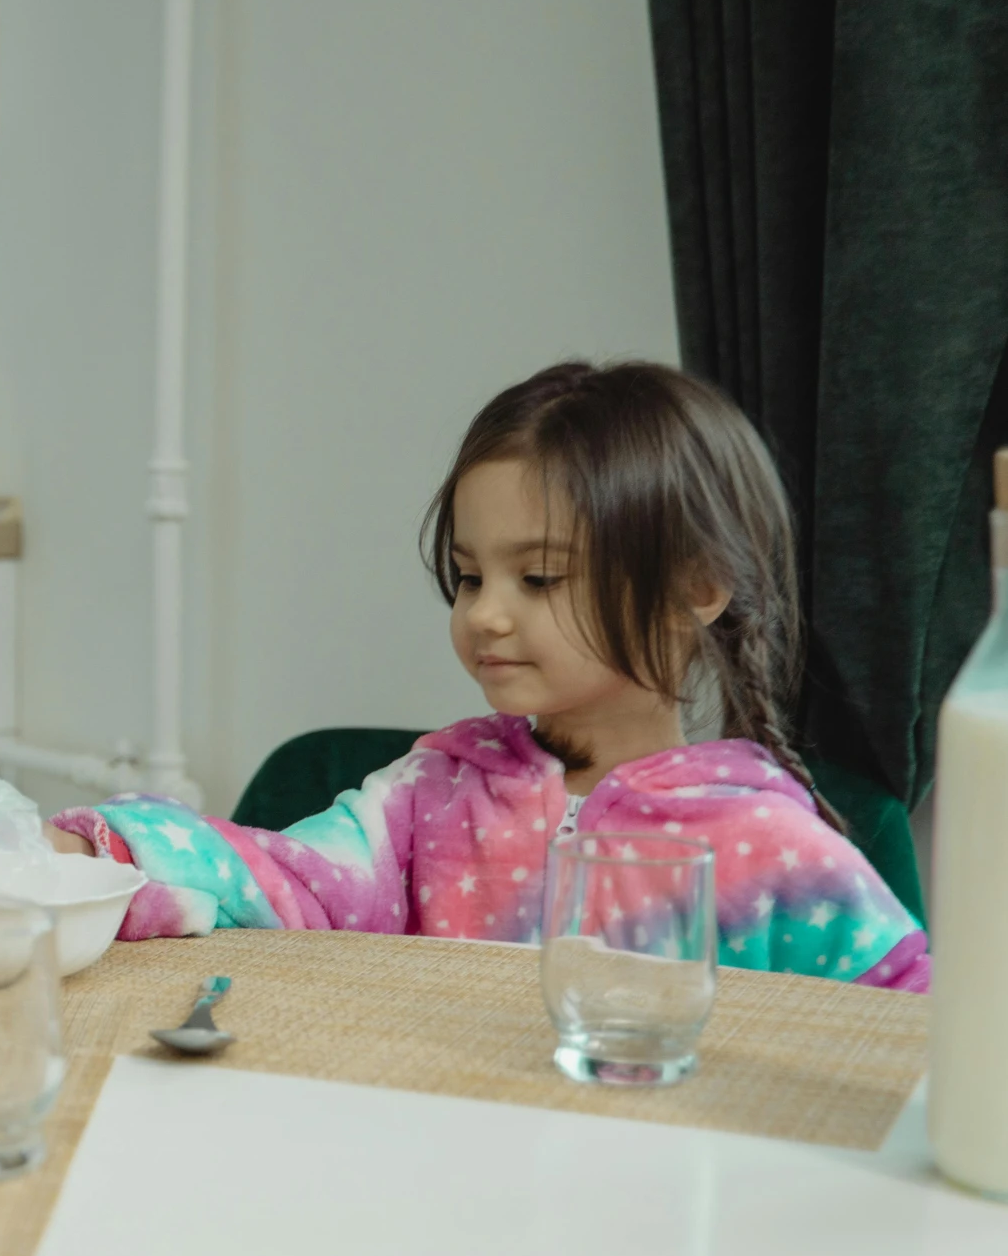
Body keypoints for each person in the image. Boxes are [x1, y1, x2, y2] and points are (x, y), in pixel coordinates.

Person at [47, 360, 928, 991]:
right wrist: (96, 851)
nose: (484, 614)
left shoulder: (764, 846)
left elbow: (905, 1043)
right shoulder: (429, 797)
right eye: (469, 576)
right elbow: (280, 874)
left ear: (693, 588)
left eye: (538, 578)